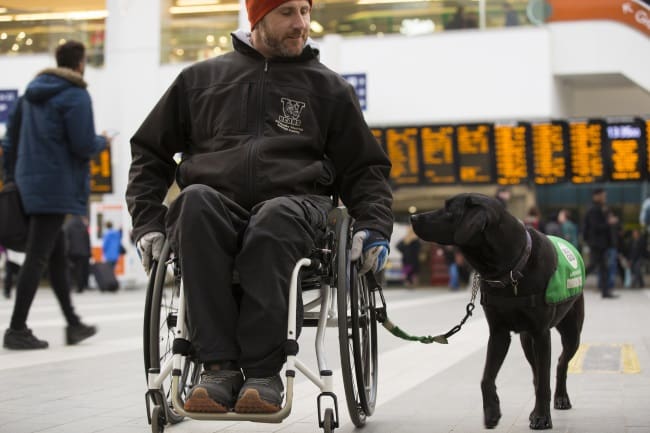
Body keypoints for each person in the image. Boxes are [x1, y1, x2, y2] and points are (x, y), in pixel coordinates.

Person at [126, 0, 393, 415]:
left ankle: (263, 373)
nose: (301, 24)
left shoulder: (328, 88)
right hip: (217, 206)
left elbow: (364, 168)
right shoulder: (199, 80)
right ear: (257, 18)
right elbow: (149, 153)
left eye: (305, 11)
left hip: (298, 207)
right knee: (193, 203)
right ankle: (217, 369)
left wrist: (374, 227)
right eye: (287, 12)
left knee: (275, 217)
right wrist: (147, 224)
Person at [2, 40, 108, 350]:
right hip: (55, 186)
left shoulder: (28, 96)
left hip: (28, 184)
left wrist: (11, 179)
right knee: (37, 257)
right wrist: (102, 142)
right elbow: (83, 145)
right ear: (79, 64)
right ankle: (16, 328)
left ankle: (73, 324)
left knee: (57, 255)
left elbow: (9, 143)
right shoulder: (75, 95)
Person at [582, 188, 618, 299]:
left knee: (602, 267)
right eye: (603, 196)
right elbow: (595, 227)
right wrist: (609, 222)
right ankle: (576, 282)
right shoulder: (594, 210)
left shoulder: (599, 209)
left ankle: (605, 291)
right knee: (594, 266)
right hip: (597, 244)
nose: (604, 198)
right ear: (596, 196)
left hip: (600, 244)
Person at [63, 215, 92, 293]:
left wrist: (65, 250)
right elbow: (87, 239)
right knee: (80, 270)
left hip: (71, 251)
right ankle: (80, 287)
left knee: (69, 269)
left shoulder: (68, 225)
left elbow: (66, 238)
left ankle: (69, 286)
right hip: (83, 252)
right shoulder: (83, 226)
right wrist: (89, 252)